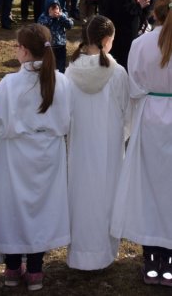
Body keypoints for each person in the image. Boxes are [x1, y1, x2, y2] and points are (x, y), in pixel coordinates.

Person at [110, 0, 172, 287]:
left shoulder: (140, 44)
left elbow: (135, 85)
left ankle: (151, 259)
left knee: (149, 187)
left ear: (155, 12)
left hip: (151, 116)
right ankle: (170, 262)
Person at [0, 24, 71, 291]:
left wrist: (1, 141)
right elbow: (67, 119)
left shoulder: (10, 84)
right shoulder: (62, 82)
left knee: (13, 207)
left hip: (15, 152)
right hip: (48, 152)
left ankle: (12, 266)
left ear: (23, 50)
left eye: (16, 46)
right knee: (40, 208)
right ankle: (34, 268)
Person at [65, 15, 130, 270]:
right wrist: (119, 135)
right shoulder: (117, 73)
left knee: (81, 195)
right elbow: (127, 113)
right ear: (106, 41)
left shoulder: (70, 72)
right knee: (105, 194)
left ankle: (81, 252)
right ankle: (103, 251)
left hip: (80, 145)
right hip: (108, 146)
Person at [101, 0, 149, 68]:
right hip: (122, 35)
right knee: (122, 63)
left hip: (130, 33)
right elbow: (120, 11)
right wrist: (139, 5)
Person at [37, 0, 73, 72]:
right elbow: (40, 28)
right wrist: (50, 17)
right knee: (50, 65)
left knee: (61, 65)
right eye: (52, 8)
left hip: (61, 45)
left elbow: (70, 25)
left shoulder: (62, 15)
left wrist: (62, 16)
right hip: (49, 46)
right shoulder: (43, 17)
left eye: (56, 8)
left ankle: (61, 76)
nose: (55, 10)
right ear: (48, 8)